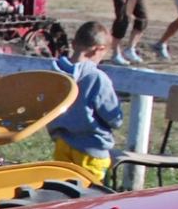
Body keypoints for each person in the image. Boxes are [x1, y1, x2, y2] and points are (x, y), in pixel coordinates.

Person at [46, 21, 125, 177]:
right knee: (89, 195)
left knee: (62, 190)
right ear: (99, 49)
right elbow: (114, 119)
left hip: (62, 143)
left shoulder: (53, 74)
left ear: (74, 43)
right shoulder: (97, 78)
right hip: (91, 147)